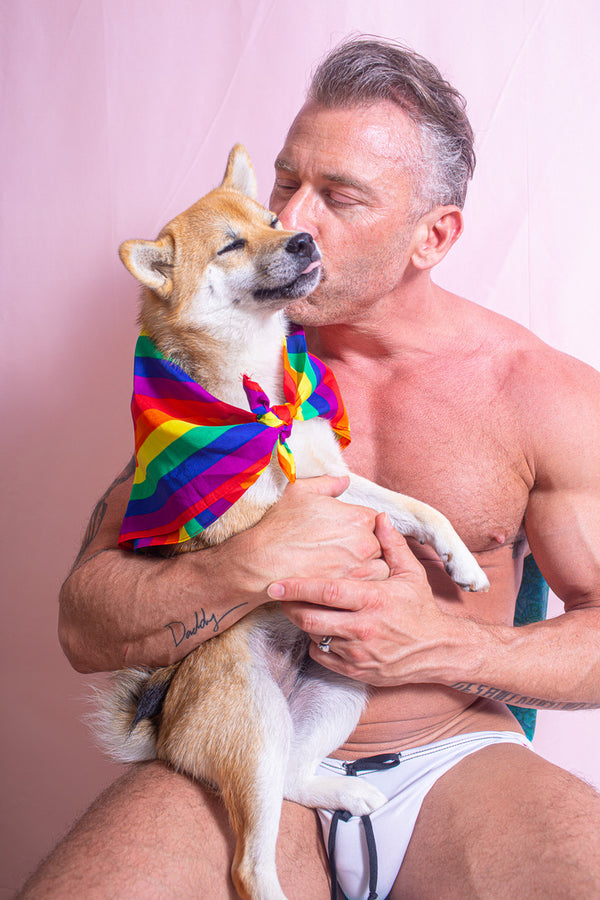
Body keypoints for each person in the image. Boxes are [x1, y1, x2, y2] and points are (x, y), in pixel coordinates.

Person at [21, 38, 600, 899]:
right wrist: (236, 569)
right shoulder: (224, 365)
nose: (291, 220)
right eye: (287, 182)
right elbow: (85, 626)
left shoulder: (538, 394)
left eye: (339, 197)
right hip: (241, 748)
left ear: (432, 236)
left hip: (453, 760)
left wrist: (445, 643)